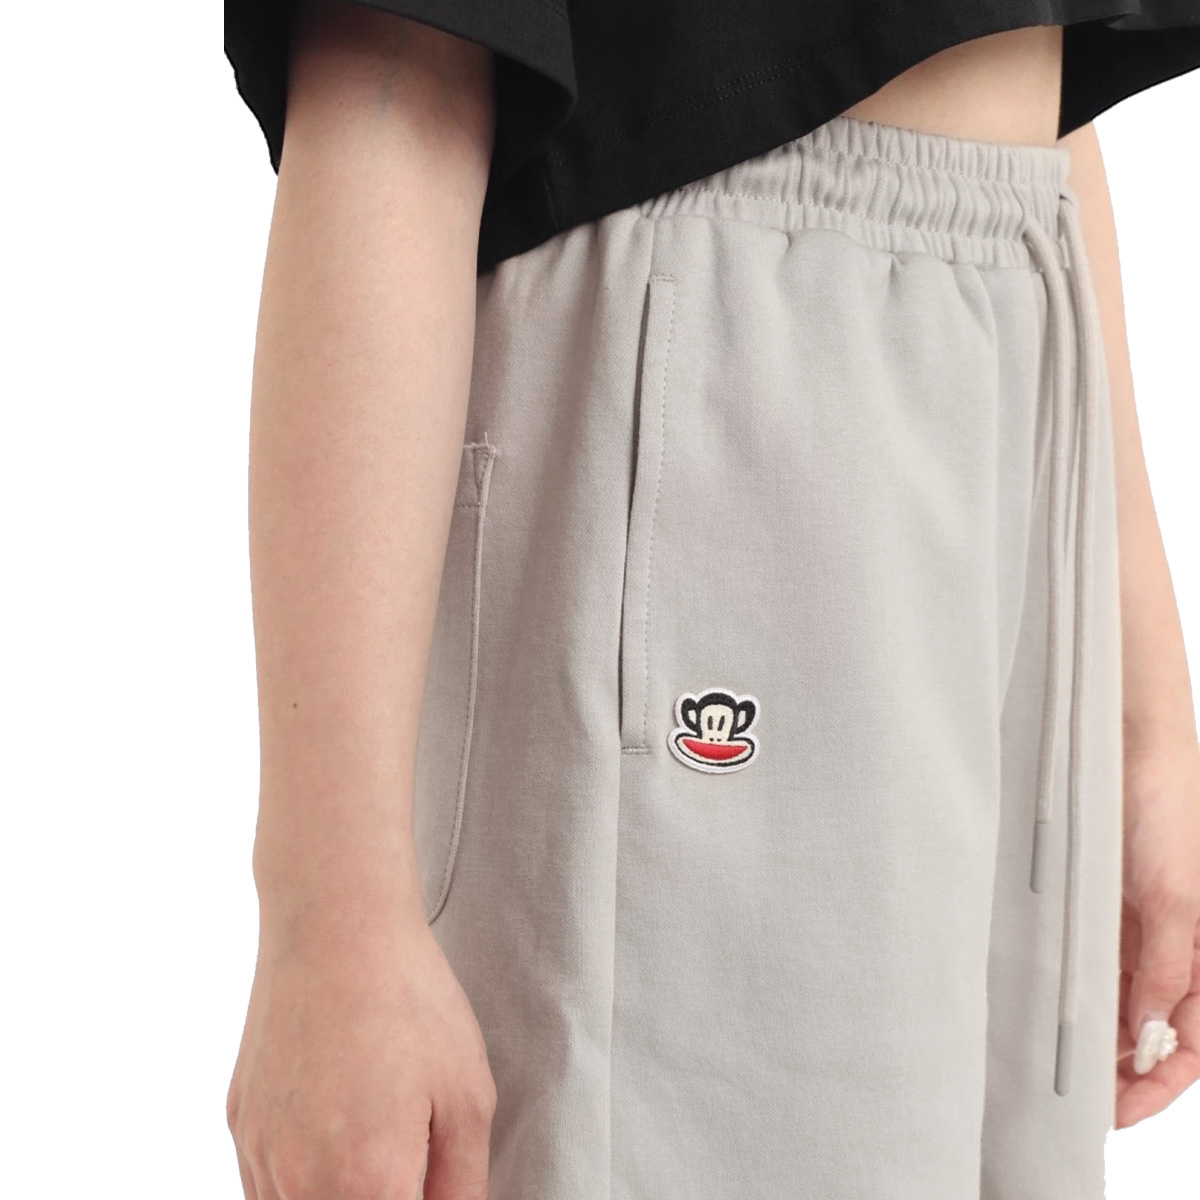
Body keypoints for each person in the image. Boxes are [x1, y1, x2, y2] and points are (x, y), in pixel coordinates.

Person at [221, 2, 1200, 1197]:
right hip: (715, 353)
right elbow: (395, 67)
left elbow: (1023, 81)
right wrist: (329, 909)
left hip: (1011, 340)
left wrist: (1144, 719)